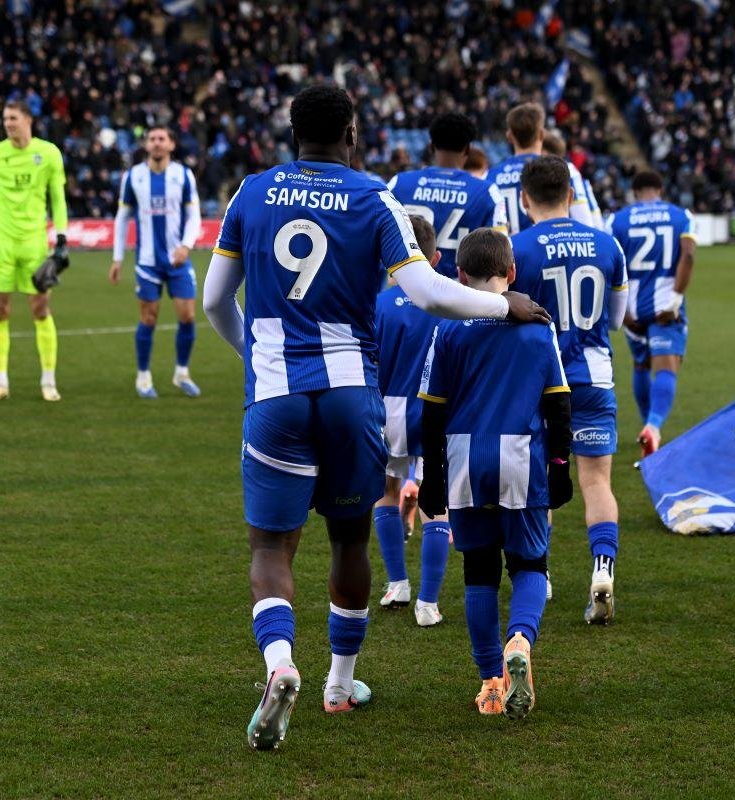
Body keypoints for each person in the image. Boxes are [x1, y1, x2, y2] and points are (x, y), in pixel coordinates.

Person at [200, 84, 549, 751]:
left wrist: (259, 357)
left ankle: (280, 664)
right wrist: (503, 304)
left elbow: (216, 299)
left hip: (275, 390)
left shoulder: (252, 191)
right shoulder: (373, 196)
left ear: (293, 132)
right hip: (350, 393)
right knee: (349, 540)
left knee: (270, 548)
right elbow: (425, 292)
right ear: (352, 133)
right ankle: (339, 683)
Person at [417, 228, 573, 719]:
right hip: (521, 461)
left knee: (479, 572)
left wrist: (432, 477)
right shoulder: (538, 327)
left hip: (465, 461)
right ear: (512, 273)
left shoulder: (447, 329)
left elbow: (432, 413)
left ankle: (489, 683)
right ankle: (520, 641)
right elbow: (559, 406)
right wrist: (561, 467)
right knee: (530, 565)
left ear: (460, 276)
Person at [511, 156, 627, 624]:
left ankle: (540, 573)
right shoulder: (607, 244)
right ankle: (602, 570)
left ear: (524, 199)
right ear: (572, 195)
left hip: (540, 379)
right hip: (593, 375)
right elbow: (616, 320)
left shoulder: (516, 248)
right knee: (596, 481)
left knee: (539, 478)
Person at [373, 215, 451, 627]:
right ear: (435, 259)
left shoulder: (379, 305)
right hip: (436, 410)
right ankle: (428, 603)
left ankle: (397, 583)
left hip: (388, 411)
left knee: (385, 492)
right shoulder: (449, 302)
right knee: (436, 505)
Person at [0, 99, 69, 403]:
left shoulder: (48, 153)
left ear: (28, 120)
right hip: (2, 242)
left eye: (13, 118)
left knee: (41, 309)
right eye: (5, 119)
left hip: (34, 242)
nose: (8, 124)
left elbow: (58, 199)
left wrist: (61, 239)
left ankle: (48, 381)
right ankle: (0, 383)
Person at [109, 125, 203, 399]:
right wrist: (117, 258)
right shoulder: (133, 176)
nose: (157, 143)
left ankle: (181, 373)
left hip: (177, 260)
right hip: (147, 262)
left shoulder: (183, 175)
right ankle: (143, 376)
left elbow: (194, 216)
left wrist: (186, 245)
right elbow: (122, 218)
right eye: (152, 139)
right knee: (148, 318)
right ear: (146, 145)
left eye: (162, 138)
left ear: (171, 144)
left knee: (188, 316)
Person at [611, 169, 697, 458]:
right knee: (666, 367)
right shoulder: (681, 215)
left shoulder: (617, 219)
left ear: (635, 192)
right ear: (660, 190)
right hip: (665, 307)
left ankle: (647, 427)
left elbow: (608, 262)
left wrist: (620, 311)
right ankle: (653, 426)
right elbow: (688, 254)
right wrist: (675, 300)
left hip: (632, 307)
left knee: (641, 366)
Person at [386, 112, 507, 280]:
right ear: (468, 149)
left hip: (406, 289)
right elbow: (499, 256)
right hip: (460, 291)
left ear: (431, 146)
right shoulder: (487, 193)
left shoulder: (398, 184)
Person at [485, 102, 596, 235]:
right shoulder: (564, 170)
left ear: (509, 136)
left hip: (507, 247)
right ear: (542, 134)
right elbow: (585, 225)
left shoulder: (490, 176)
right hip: (549, 246)